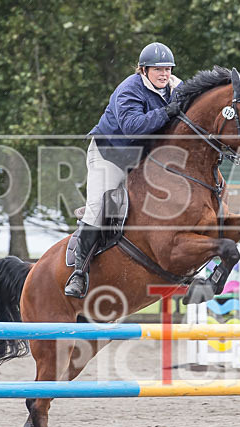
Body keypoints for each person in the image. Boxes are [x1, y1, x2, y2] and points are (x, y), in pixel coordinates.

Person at [65, 42, 183, 298]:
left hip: (141, 160)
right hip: (110, 155)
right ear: (144, 70)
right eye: (157, 69)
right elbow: (132, 127)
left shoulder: (176, 87)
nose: (164, 74)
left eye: (167, 69)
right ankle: (78, 272)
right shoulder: (129, 89)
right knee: (98, 207)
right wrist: (166, 112)